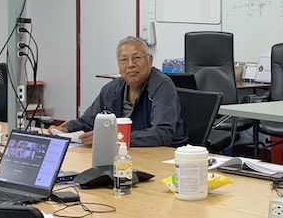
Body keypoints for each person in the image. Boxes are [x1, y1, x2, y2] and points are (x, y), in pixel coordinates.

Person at [56, 36, 186, 146]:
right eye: (124, 60)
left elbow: (162, 133)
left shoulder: (162, 86)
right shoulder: (113, 89)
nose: (130, 64)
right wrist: (66, 129)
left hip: (162, 156)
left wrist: (114, 138)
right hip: (126, 153)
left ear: (150, 60)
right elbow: (87, 121)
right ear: (119, 65)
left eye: (137, 58)